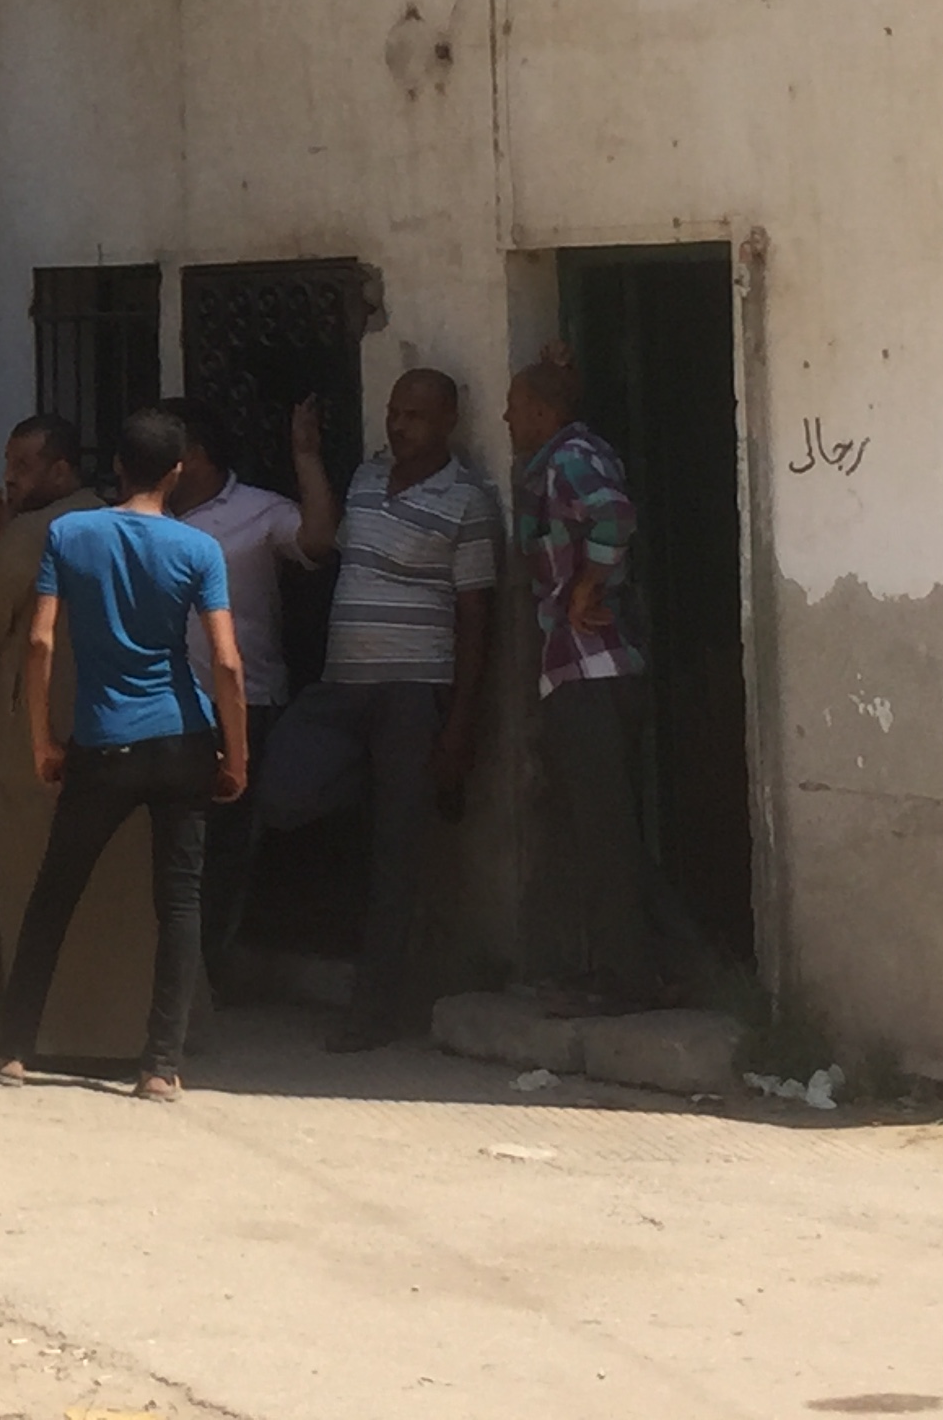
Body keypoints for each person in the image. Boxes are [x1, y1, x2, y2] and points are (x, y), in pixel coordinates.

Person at [0, 406, 249, 1101]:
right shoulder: (199, 549)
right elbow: (226, 663)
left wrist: (43, 740)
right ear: (176, 472)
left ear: (119, 468)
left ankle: (12, 1050)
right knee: (180, 903)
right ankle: (160, 1065)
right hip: (183, 737)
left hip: (102, 740)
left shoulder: (71, 534)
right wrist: (237, 756)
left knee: (54, 893)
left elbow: (40, 642)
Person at [254, 370, 502, 1049]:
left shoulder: (468, 500)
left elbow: (477, 616)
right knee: (278, 789)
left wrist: (459, 725)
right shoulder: (366, 478)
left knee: (397, 856)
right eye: (395, 412)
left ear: (447, 422)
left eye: (415, 416)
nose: (399, 425)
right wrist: (306, 456)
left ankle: (373, 1012)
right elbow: (327, 539)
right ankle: (375, 781)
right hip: (343, 686)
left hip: (414, 690)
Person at [506, 346, 700, 1013]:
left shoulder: (568, 458)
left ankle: (632, 977)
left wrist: (588, 586)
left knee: (603, 832)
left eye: (514, 407)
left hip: (592, 664)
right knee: (601, 827)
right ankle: (672, 962)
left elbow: (614, 514)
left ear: (541, 411)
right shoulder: (561, 457)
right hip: (581, 667)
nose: (506, 419)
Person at [0, 413, 149, 1061]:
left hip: (36, 728)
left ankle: (40, 1028)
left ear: (61, 469)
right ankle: (123, 1027)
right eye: (8, 463)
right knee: (117, 882)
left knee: (30, 876)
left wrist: (3, 545)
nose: (10, 477)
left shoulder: (35, 532)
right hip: (122, 720)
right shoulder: (119, 522)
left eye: (24, 465)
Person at [170, 396, 338, 979]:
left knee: (224, 844)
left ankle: (207, 973)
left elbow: (317, 540)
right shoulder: (143, 514)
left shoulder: (259, 510)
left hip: (241, 704)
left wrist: (306, 457)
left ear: (193, 455)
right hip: (162, 705)